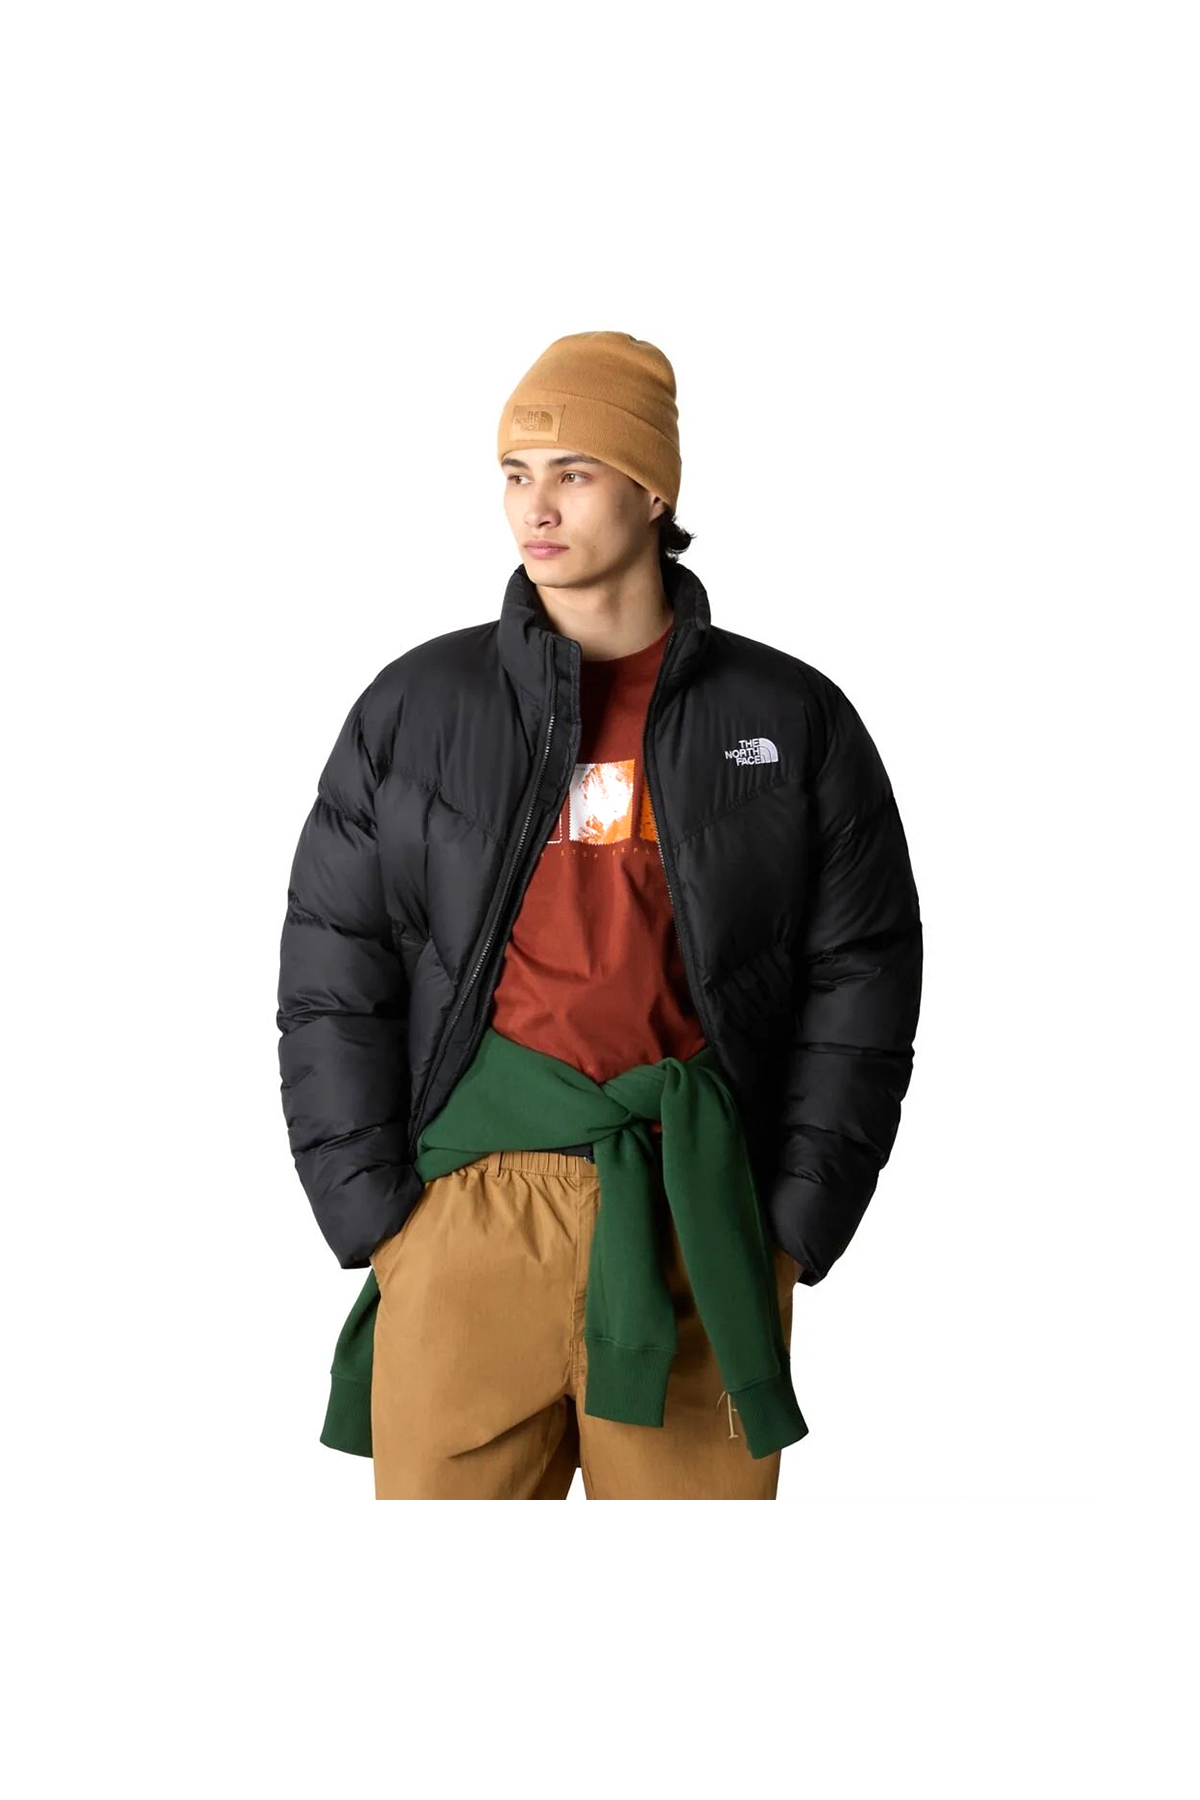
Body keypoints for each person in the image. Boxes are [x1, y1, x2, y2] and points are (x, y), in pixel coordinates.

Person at [276, 330, 923, 1500]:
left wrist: (793, 1225)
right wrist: (376, 1218)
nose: (536, 507)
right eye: (515, 475)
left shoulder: (791, 717)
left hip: (697, 1215)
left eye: (573, 472)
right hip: (466, 1217)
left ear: (654, 490)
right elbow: (333, 972)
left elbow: (862, 978)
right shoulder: (415, 707)